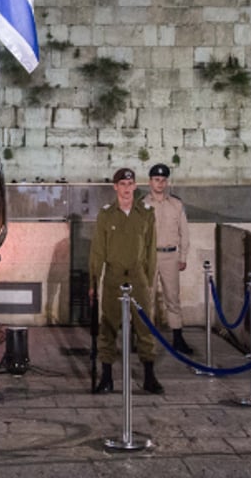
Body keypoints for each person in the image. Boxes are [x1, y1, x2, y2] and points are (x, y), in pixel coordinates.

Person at [89, 167, 164, 394]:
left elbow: (151, 250)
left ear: (134, 187)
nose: (126, 189)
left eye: (130, 185)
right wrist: (94, 282)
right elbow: (98, 251)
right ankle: (107, 377)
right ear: (115, 187)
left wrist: (148, 281)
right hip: (113, 276)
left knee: (144, 327)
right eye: (122, 184)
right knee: (108, 326)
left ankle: (149, 376)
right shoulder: (106, 214)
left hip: (137, 277)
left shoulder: (146, 213)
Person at [147, 162, 194, 355]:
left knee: (172, 298)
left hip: (170, 256)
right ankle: (144, 336)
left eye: (163, 180)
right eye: (157, 180)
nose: (160, 184)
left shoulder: (176, 204)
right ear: (150, 182)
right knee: (146, 297)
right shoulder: (142, 204)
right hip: (149, 256)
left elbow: (184, 232)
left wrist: (182, 256)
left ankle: (177, 337)